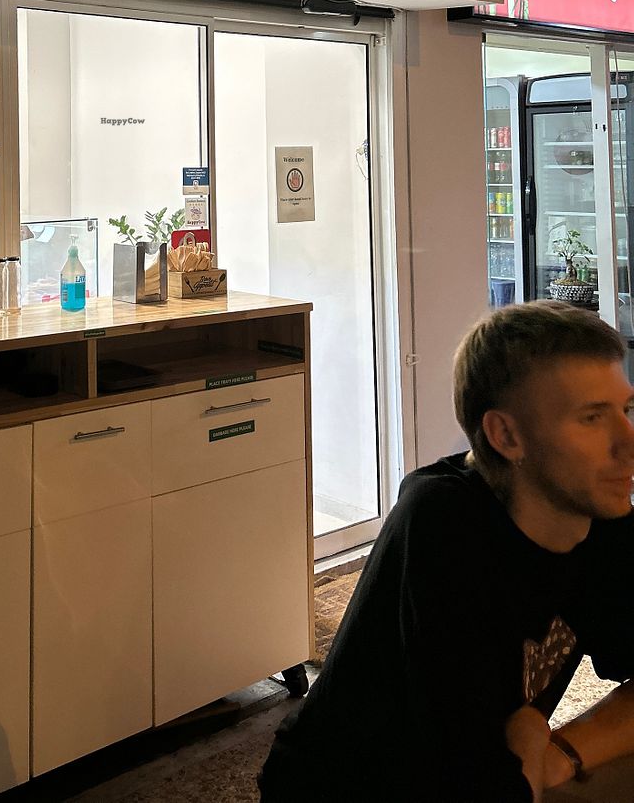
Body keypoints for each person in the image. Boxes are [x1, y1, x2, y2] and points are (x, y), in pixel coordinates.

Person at [259, 300, 634, 802]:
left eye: (626, 410)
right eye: (591, 418)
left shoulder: (600, 512)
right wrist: (526, 740)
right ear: (506, 436)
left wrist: (559, 749)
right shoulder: (443, 522)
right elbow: (483, 786)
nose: (628, 442)